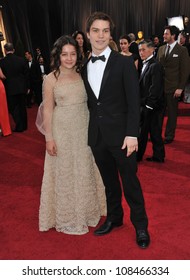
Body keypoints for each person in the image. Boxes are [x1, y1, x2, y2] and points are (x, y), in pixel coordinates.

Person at [82, 11, 150, 248]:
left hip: (123, 138)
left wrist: (132, 134)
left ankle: (141, 225)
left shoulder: (124, 62)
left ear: (110, 33)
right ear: (88, 34)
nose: (101, 36)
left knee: (130, 182)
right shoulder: (84, 66)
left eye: (106, 31)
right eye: (96, 31)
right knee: (109, 183)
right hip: (98, 137)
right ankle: (114, 217)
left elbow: (134, 102)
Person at [36, 35, 106, 235]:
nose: (68, 58)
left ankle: (88, 209)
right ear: (57, 56)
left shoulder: (83, 73)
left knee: (84, 167)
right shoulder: (50, 79)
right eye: (64, 54)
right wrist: (49, 138)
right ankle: (67, 215)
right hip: (62, 130)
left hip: (84, 128)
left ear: (78, 54)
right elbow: (47, 110)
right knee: (65, 170)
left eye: (72, 54)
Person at [157, 25, 190, 144]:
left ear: (173, 36)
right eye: (164, 33)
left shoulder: (182, 50)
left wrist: (180, 88)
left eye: (166, 34)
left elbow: (185, 70)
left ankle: (169, 135)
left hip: (173, 88)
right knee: (158, 114)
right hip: (160, 88)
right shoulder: (160, 49)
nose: (163, 35)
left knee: (172, 113)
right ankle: (157, 134)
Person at [137, 40, 165, 163]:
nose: (141, 52)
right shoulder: (146, 64)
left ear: (152, 49)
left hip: (152, 106)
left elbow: (155, 88)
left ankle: (139, 156)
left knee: (148, 132)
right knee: (153, 131)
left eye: (143, 49)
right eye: (139, 50)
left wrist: (148, 105)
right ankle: (158, 156)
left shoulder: (155, 65)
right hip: (148, 104)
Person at [0, 43, 29, 132]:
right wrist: (28, 87)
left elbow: (3, 76)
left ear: (5, 50)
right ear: (13, 50)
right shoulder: (22, 60)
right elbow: (27, 75)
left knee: (13, 108)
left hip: (10, 89)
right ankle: (24, 126)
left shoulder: (2, 62)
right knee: (22, 107)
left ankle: (19, 126)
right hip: (22, 88)